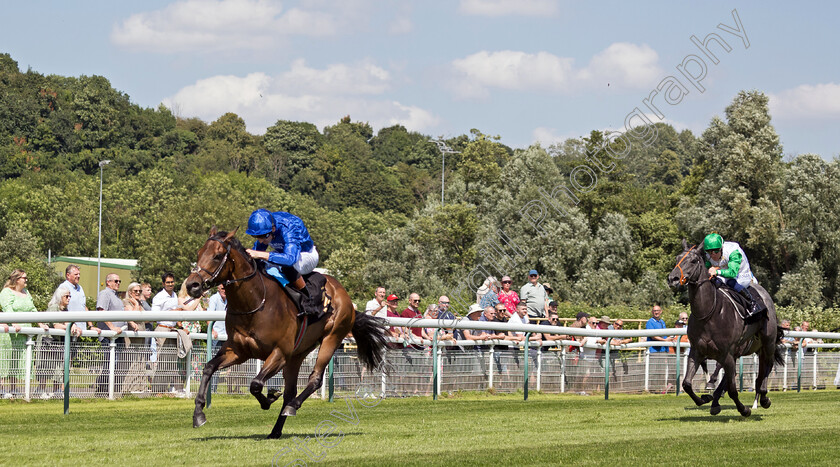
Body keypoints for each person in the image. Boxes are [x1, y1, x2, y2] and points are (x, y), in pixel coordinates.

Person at [244, 208, 320, 317]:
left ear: (273, 229)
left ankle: (307, 300)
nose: (260, 240)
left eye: (263, 236)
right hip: (285, 254)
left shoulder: (289, 227)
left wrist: (261, 254)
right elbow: (255, 254)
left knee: (288, 266)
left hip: (305, 255)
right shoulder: (267, 227)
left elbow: (290, 259)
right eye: (256, 236)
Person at [0, 269, 39, 398]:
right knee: (6, 359)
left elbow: (32, 308)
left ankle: (13, 388)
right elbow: (7, 307)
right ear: (17, 279)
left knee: (18, 361)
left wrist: (40, 322)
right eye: (24, 278)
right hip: (10, 333)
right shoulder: (6, 292)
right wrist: (14, 322)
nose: (26, 280)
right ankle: (1, 388)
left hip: (24, 333)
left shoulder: (26, 292)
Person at [94, 273, 135, 396]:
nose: (118, 283)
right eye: (116, 281)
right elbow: (101, 311)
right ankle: (102, 391)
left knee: (113, 364)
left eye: (119, 281)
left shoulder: (116, 296)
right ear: (108, 282)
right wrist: (112, 327)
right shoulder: (105, 294)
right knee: (109, 363)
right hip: (108, 336)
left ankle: (107, 391)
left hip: (117, 336)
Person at [702, 233, 761, 318]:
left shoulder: (733, 251)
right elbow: (707, 267)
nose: (712, 254)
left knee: (730, 282)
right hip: (724, 272)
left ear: (721, 248)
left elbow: (732, 273)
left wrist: (717, 272)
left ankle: (752, 303)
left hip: (741, 274)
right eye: (709, 251)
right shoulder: (708, 255)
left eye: (715, 250)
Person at [35, 285, 78, 399]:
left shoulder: (65, 310)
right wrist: (69, 327)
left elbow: (69, 323)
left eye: (70, 296)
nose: (69, 298)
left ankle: (56, 390)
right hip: (46, 341)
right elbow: (57, 325)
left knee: (59, 367)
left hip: (57, 342)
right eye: (66, 296)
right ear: (60, 297)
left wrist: (74, 327)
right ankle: (41, 389)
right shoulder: (54, 307)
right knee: (45, 366)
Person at [151, 272, 182, 394]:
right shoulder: (159, 297)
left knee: (170, 362)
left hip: (173, 329)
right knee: (162, 361)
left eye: (172, 282)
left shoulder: (175, 295)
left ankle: (166, 389)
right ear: (163, 283)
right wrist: (173, 311)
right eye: (168, 282)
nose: (170, 284)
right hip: (163, 329)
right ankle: (157, 390)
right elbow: (155, 315)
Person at [121, 282, 147, 394]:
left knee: (140, 361)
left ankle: (140, 387)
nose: (137, 293)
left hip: (141, 333)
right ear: (130, 292)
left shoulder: (141, 302)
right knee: (132, 361)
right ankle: (128, 389)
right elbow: (131, 316)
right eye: (135, 291)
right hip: (132, 335)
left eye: (139, 291)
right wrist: (136, 306)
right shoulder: (127, 302)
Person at [207, 284, 228, 393]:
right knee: (214, 363)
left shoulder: (229, 299)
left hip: (226, 336)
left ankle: (215, 389)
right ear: (218, 289)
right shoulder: (214, 299)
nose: (225, 290)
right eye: (223, 288)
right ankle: (211, 389)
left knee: (222, 364)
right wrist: (212, 330)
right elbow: (209, 316)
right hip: (216, 336)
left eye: (226, 288)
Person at [59, 264, 88, 332]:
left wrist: (91, 325)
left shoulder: (80, 288)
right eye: (76, 274)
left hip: (81, 330)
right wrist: (70, 325)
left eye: (79, 274)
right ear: (68, 275)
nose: (78, 276)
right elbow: (60, 307)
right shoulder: (63, 287)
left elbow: (83, 306)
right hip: (69, 330)